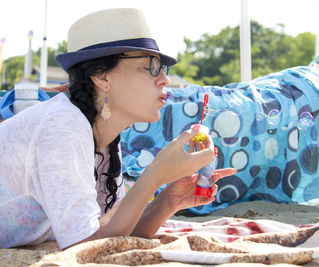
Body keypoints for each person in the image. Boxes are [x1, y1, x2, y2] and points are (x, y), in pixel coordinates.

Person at [0, 8, 236, 250]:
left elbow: (115, 231)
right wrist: (154, 174)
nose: (164, 79)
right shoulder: (63, 126)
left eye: (163, 68)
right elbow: (83, 249)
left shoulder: (103, 135)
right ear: (101, 77)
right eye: (150, 66)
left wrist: (168, 200)